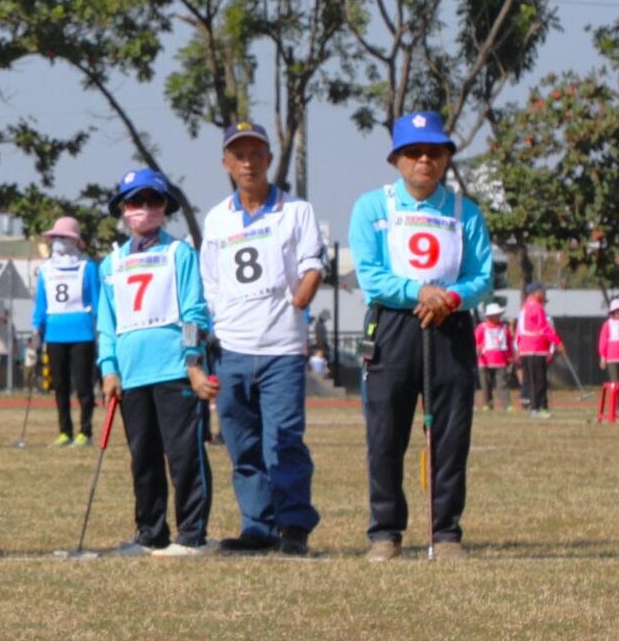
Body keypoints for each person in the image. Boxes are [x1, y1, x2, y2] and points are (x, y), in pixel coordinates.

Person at [350, 110, 493, 561]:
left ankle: (446, 533)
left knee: (451, 434)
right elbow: (371, 275)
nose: (424, 160)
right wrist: (419, 291)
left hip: (450, 325)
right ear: (396, 159)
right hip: (393, 326)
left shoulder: (465, 212)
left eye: (434, 152)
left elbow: (482, 278)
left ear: (446, 157)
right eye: (413, 152)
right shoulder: (372, 207)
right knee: (385, 433)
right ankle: (385, 532)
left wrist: (450, 298)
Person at [197, 122, 325, 557]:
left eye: (256, 154)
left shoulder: (296, 211)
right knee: (241, 442)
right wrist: (208, 334)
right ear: (226, 164)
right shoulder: (217, 218)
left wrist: (302, 296)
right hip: (231, 349)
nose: (248, 162)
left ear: (269, 159)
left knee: (283, 439)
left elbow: (312, 263)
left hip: (281, 349)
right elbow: (209, 284)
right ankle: (257, 526)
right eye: (239, 155)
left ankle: (293, 526)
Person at [96, 167, 216, 556]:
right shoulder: (110, 264)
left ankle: (192, 536)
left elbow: (194, 312)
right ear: (122, 208)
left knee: (185, 456)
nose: (144, 208)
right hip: (132, 374)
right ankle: (150, 532)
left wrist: (192, 361)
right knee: (143, 459)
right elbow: (107, 323)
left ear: (165, 207)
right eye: (135, 201)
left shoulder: (179, 253)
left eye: (152, 200)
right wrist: (108, 368)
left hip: (174, 371)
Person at [32, 216, 99, 444]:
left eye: (64, 237)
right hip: (54, 333)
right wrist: (36, 327)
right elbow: (41, 302)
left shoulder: (87, 267)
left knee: (83, 386)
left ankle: (85, 432)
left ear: (75, 240)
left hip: (82, 333)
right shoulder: (45, 269)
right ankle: (65, 431)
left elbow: (97, 301)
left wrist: (101, 328)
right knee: (60, 386)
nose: (59, 241)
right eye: (56, 237)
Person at [514, 283, 561, 418]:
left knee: (532, 379)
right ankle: (536, 408)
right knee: (538, 380)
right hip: (535, 348)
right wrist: (557, 342)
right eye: (542, 292)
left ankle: (539, 407)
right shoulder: (536, 307)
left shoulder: (524, 307)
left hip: (525, 348)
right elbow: (544, 327)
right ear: (535, 293)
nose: (544, 294)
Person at [476, 299, 515, 411]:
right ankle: (487, 404)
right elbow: (476, 341)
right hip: (484, 361)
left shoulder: (504, 328)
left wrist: (510, 356)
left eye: (499, 314)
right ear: (489, 316)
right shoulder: (482, 327)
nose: (498, 317)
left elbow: (509, 343)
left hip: (500, 361)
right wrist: (477, 351)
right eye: (496, 315)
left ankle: (507, 405)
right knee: (485, 384)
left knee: (502, 384)